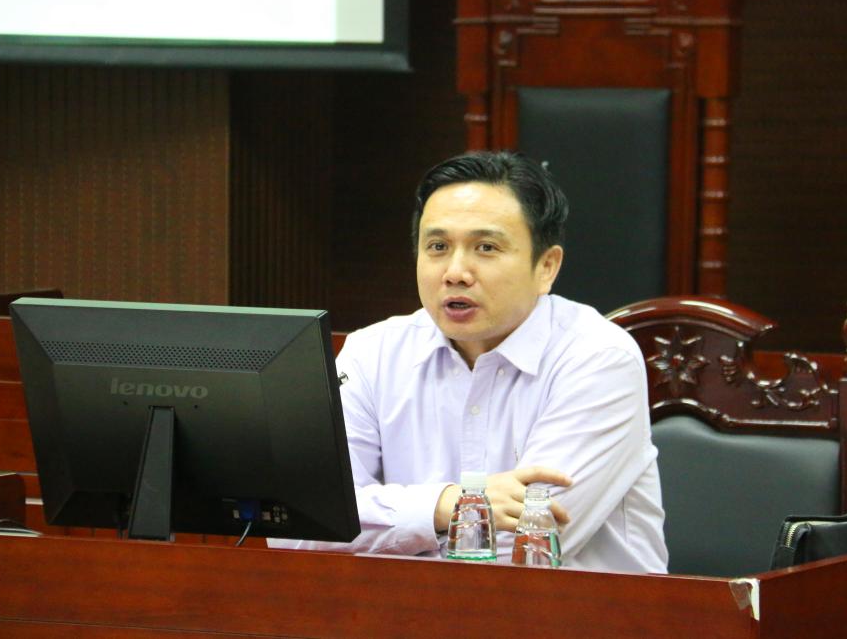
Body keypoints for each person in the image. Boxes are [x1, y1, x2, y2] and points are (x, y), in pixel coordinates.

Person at [270, 151, 667, 573]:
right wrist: (444, 506)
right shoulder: (373, 353)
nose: (455, 272)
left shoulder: (597, 359)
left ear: (546, 267)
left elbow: (525, 548)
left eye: (486, 247)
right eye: (438, 247)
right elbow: (297, 524)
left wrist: (381, 528)